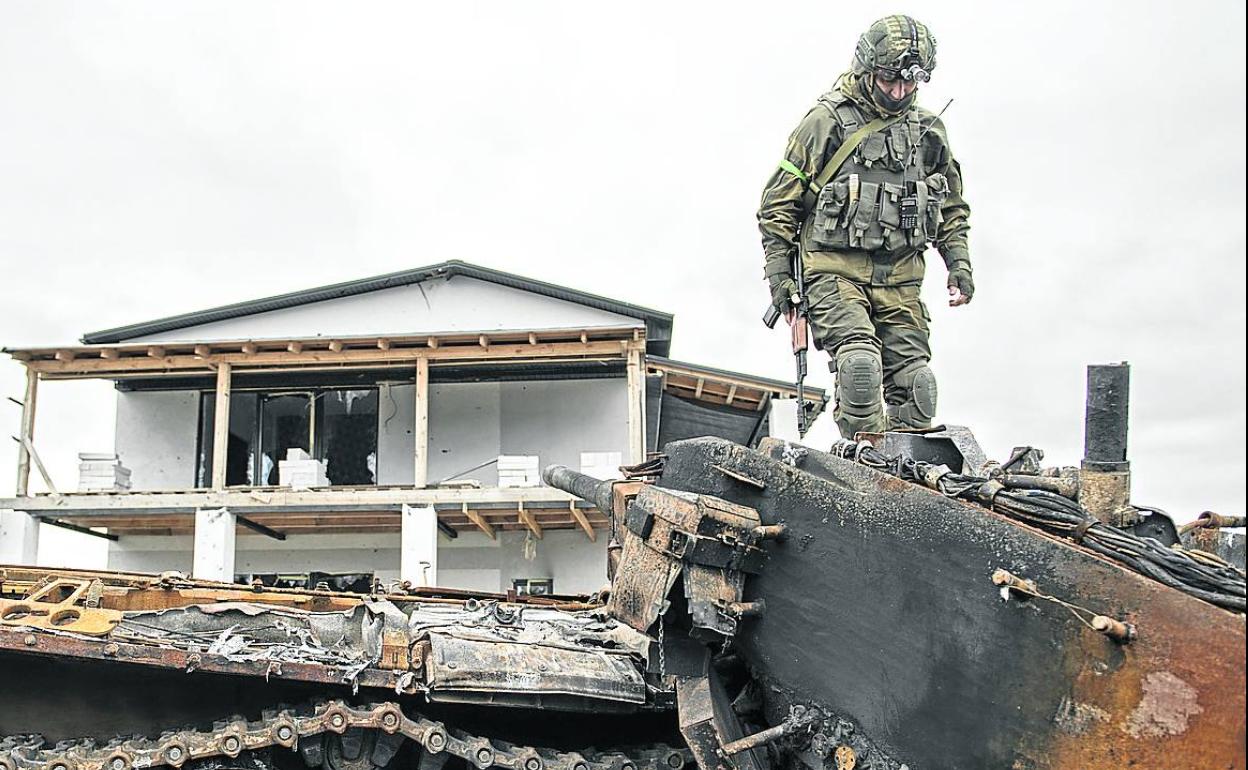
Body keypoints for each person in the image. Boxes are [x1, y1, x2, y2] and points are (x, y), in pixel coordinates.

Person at [757, 14, 973, 439]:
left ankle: (906, 479)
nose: (899, 92)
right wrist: (781, 278)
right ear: (867, 69)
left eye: (909, 84)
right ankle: (865, 467)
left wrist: (959, 265)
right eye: (889, 81)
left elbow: (950, 206)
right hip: (833, 270)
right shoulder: (826, 122)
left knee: (918, 386)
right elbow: (776, 205)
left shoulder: (928, 131)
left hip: (902, 278)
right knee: (860, 369)